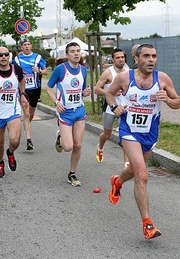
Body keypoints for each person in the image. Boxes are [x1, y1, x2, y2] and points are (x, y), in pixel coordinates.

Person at [105, 44, 180, 239]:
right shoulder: (124, 78)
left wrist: (167, 100)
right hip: (129, 130)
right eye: (146, 56)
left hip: (149, 133)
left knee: (133, 170)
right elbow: (108, 93)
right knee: (141, 174)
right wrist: (115, 108)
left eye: (154, 56)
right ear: (137, 59)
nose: (151, 60)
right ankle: (147, 224)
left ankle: (117, 182)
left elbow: (177, 103)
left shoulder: (162, 79)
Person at [45, 42, 91, 187]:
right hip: (65, 112)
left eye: (78, 51)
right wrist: (56, 102)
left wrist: (85, 93)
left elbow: (82, 90)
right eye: (72, 51)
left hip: (79, 111)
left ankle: (72, 173)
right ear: (67, 55)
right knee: (68, 147)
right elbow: (48, 87)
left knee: (78, 144)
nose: (76, 54)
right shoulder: (60, 69)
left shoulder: (83, 70)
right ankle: (61, 137)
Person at [0, 47, 28, 178]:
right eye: (0, 55)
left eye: (6, 54)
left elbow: (22, 80)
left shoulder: (16, 69)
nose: (3, 57)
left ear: (9, 56)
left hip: (13, 111)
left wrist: (22, 94)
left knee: (15, 141)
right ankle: (0, 162)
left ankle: (11, 152)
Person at [94, 48, 129, 165]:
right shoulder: (108, 73)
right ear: (113, 59)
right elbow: (97, 89)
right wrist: (109, 92)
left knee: (125, 137)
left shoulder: (128, 72)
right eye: (118, 58)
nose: (120, 60)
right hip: (110, 107)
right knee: (107, 134)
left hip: (124, 109)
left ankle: (126, 164)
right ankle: (100, 147)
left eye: (122, 57)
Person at [13, 39, 48, 150]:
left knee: (31, 113)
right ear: (21, 47)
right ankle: (29, 140)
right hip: (23, 89)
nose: (27, 46)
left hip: (35, 88)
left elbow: (46, 71)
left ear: (31, 46)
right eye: (24, 45)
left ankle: (27, 125)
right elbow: (13, 73)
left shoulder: (37, 57)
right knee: (26, 114)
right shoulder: (17, 59)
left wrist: (39, 71)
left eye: (28, 44)